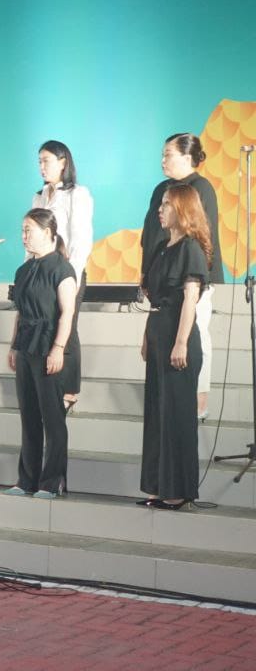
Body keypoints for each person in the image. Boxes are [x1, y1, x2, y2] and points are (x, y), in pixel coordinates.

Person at [140, 133, 225, 420]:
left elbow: (204, 234)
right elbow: (150, 234)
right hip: (162, 278)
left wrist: (197, 275)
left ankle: (199, 401)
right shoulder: (161, 189)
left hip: (190, 276)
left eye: (168, 154)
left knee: (195, 332)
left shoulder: (201, 188)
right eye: (162, 154)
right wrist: (146, 272)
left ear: (188, 157)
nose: (163, 160)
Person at [140, 183, 211, 511]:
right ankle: (157, 484)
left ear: (182, 209)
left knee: (176, 414)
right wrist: (147, 336)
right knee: (157, 413)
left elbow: (189, 300)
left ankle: (178, 489)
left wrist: (181, 341)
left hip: (177, 335)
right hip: (158, 331)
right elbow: (154, 298)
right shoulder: (160, 247)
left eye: (167, 204)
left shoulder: (191, 249)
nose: (160, 209)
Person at [5, 209, 77, 499]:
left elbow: (67, 312)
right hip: (26, 345)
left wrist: (58, 348)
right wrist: (13, 345)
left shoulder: (62, 268)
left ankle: (52, 481)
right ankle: (27, 480)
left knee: (53, 418)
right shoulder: (23, 270)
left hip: (50, 344)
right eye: (22, 230)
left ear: (48, 232)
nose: (24, 236)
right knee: (29, 416)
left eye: (29, 230)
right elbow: (21, 312)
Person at [32, 140, 93, 413]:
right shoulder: (39, 196)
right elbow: (32, 235)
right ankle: (50, 380)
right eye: (39, 161)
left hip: (67, 271)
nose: (42, 166)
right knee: (46, 325)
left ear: (63, 162)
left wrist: (74, 274)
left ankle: (70, 390)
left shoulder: (77, 194)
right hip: (41, 272)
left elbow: (81, 238)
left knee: (68, 326)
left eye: (46, 160)